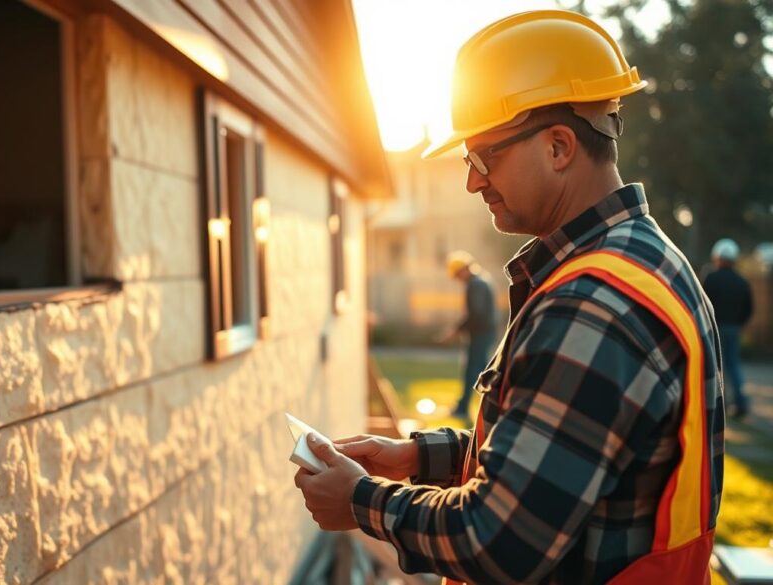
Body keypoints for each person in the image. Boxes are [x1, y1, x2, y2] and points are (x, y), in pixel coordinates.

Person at [294, 10, 724, 584]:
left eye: (484, 156)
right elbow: (568, 447)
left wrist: (360, 500)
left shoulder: (592, 303)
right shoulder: (643, 261)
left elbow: (501, 541)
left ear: (559, 147)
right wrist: (422, 457)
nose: (472, 180)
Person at [439, 251, 497, 422]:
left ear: (464, 270)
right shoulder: (482, 281)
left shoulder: (476, 284)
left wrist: (455, 330)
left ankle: (463, 409)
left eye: (457, 275)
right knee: (476, 369)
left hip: (480, 334)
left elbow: (475, 314)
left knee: (473, 370)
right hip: (484, 332)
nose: (458, 279)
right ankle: (463, 406)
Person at [703, 238, 754, 418]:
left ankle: (717, 405)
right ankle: (741, 403)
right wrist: (738, 323)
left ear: (717, 256)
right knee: (733, 365)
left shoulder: (711, 278)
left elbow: (703, 304)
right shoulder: (742, 281)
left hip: (714, 328)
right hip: (734, 328)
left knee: (715, 365)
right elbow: (749, 309)